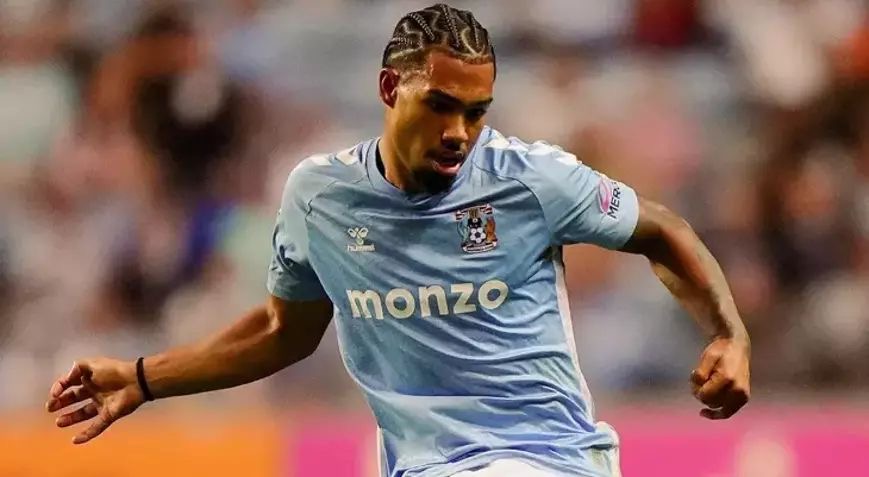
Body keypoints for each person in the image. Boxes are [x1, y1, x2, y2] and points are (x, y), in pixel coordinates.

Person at [46, 4, 750, 476]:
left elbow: (662, 229)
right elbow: (282, 331)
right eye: (440, 106)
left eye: (475, 112)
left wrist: (729, 333)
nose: (458, 133)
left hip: (543, 459)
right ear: (390, 88)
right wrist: (144, 378)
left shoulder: (530, 179)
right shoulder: (320, 197)